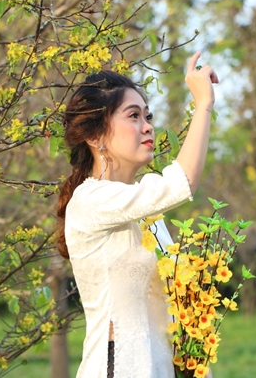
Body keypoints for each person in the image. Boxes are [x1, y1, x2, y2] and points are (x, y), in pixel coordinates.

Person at [56, 52, 218, 378]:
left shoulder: (145, 214)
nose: (147, 126)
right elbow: (181, 183)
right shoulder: (91, 200)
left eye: (148, 116)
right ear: (94, 136)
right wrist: (203, 104)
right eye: (133, 116)